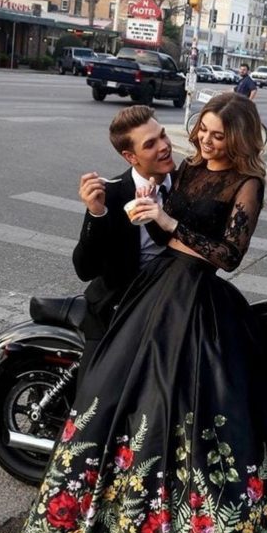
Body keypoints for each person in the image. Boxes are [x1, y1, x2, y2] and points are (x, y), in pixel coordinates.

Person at [16, 92, 267, 533]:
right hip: (152, 296)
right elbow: (155, 230)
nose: (203, 141)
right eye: (201, 130)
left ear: (239, 138)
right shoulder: (191, 168)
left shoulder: (248, 184)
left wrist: (170, 225)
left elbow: (229, 254)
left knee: (209, 423)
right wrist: (141, 212)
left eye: (217, 135)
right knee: (122, 407)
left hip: (201, 302)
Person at [72, 105, 175, 383]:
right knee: (96, 395)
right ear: (130, 156)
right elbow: (85, 269)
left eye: (163, 136)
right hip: (119, 309)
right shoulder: (114, 193)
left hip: (174, 301)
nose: (165, 146)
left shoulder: (185, 184)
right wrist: (96, 212)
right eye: (151, 144)